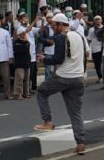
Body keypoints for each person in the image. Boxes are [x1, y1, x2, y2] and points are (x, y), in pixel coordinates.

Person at [35, 13, 87, 155]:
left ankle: (47, 122)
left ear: (60, 25)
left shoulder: (60, 37)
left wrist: (44, 59)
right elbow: (84, 56)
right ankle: (80, 142)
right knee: (75, 113)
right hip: (78, 78)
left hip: (63, 77)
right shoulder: (79, 36)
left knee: (41, 92)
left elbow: (58, 59)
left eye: (54, 25)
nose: (53, 28)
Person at [17, 12, 40, 92]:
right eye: (24, 18)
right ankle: (25, 90)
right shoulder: (19, 28)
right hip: (25, 54)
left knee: (33, 72)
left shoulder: (30, 27)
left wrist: (43, 22)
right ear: (20, 20)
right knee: (27, 74)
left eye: (27, 18)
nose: (26, 19)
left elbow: (40, 30)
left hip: (32, 54)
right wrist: (35, 21)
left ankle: (30, 88)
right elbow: (26, 30)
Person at [13, 29, 31, 100]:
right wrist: (24, 43)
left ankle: (26, 93)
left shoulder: (27, 42)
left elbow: (26, 51)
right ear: (19, 35)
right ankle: (18, 94)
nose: (24, 35)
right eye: (22, 34)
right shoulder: (16, 42)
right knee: (19, 78)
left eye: (24, 34)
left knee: (27, 79)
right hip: (19, 63)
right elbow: (20, 51)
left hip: (27, 61)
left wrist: (25, 42)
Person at [38, 13, 56, 80]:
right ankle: (47, 85)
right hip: (48, 51)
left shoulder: (56, 27)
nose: (50, 19)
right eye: (48, 17)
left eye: (51, 17)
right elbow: (40, 38)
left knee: (56, 69)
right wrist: (47, 40)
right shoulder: (45, 28)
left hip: (56, 50)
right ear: (46, 19)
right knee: (47, 69)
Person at [87, 16, 104, 84]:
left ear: (101, 20)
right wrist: (87, 49)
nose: (97, 21)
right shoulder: (91, 29)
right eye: (96, 20)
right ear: (94, 21)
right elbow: (89, 40)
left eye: (98, 19)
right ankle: (100, 77)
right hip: (95, 49)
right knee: (97, 65)